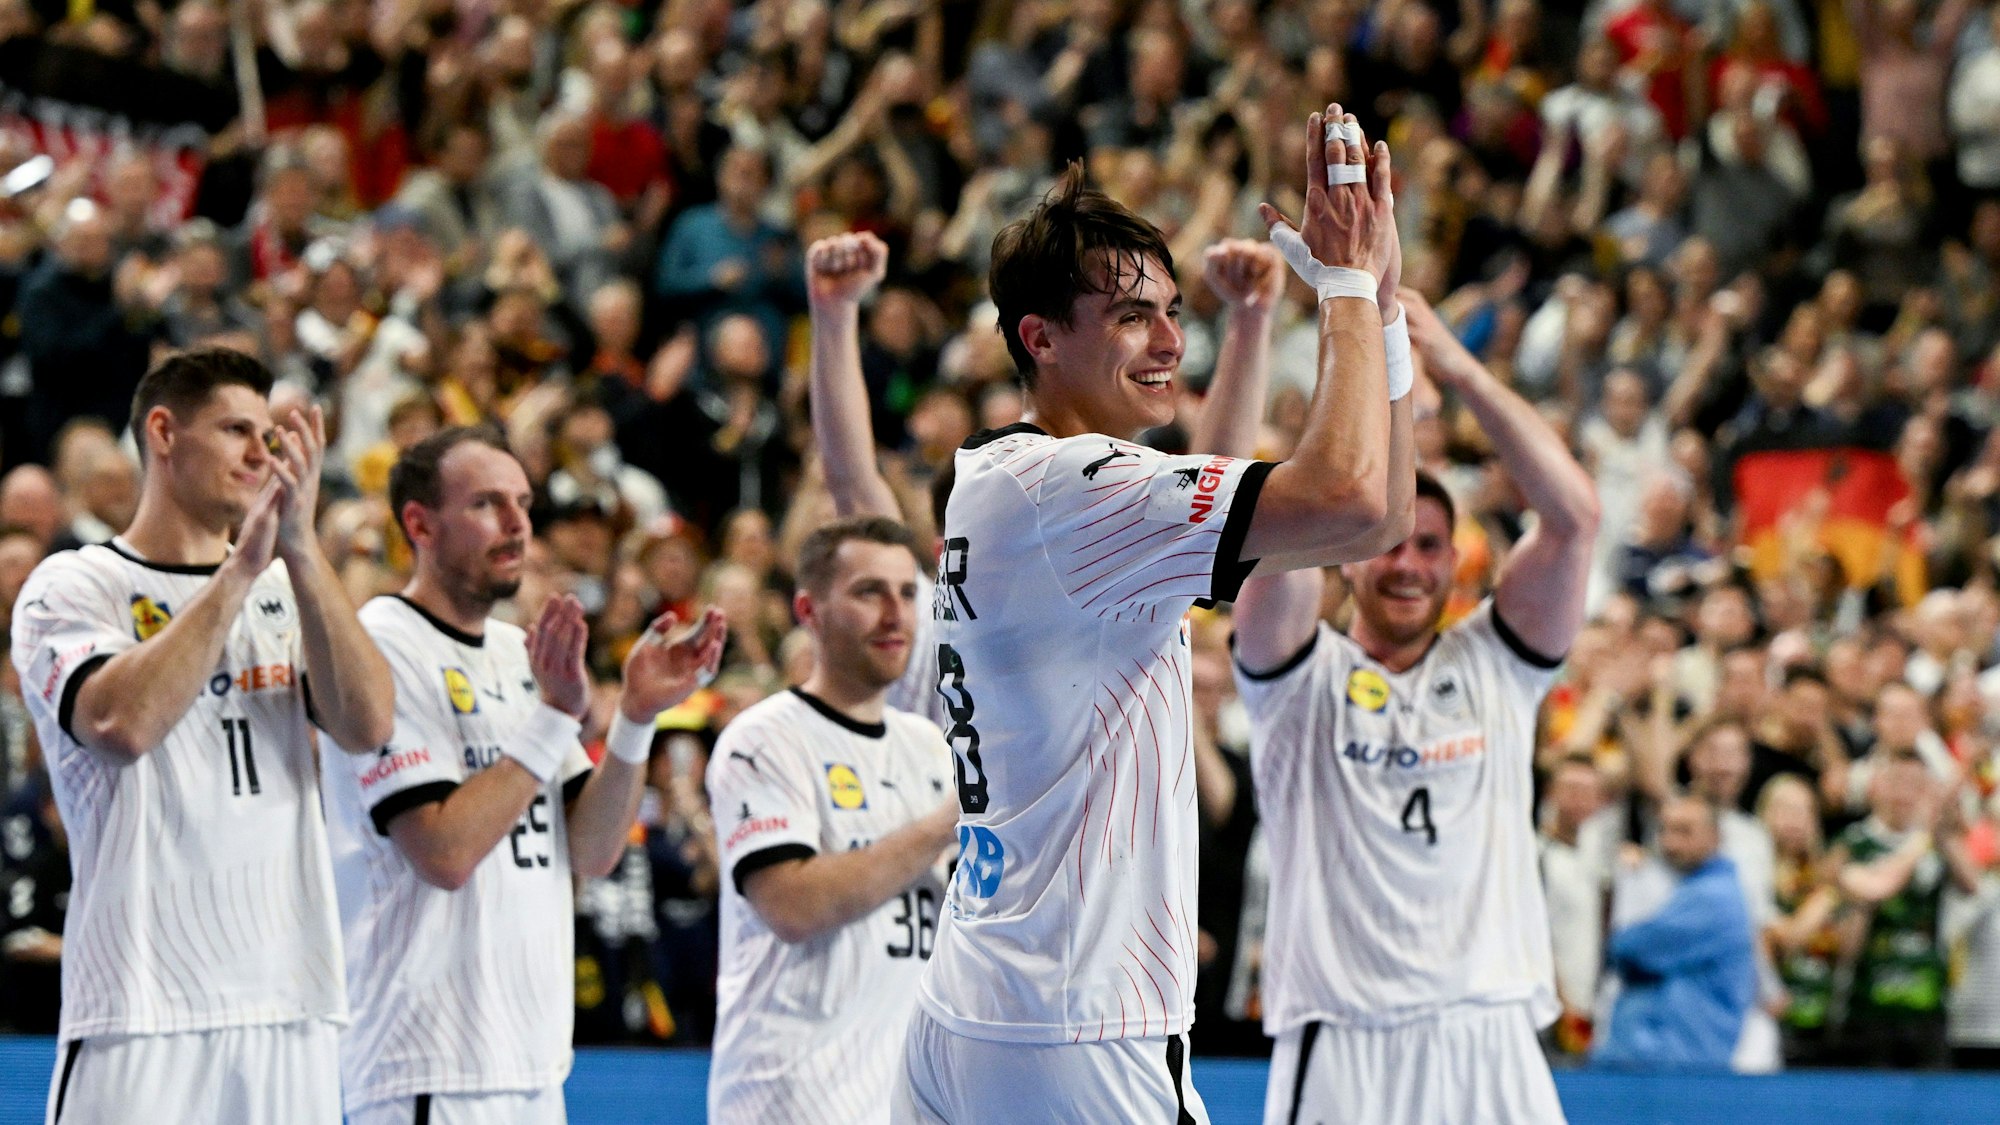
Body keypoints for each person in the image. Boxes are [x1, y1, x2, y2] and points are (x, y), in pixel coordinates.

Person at [893, 104, 1415, 1124]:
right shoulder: (1073, 487)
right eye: (1131, 314)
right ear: (1038, 338)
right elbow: (1351, 496)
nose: (1172, 339)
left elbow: (1373, 519)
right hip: (1073, 1027)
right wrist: (1345, 285)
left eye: (1175, 310)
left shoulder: (1012, 483)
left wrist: (1382, 307)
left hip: (985, 1004)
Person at [1226, 282, 1598, 1121]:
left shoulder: (1499, 661)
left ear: (1455, 559)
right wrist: (1352, 320)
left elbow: (1574, 516)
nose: (1406, 563)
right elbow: (1278, 523)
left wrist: (1457, 366)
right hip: (1346, 1037)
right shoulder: (1298, 672)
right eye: (1386, 541)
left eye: (1429, 545)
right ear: (1347, 556)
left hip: (1491, 1028)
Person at [10, 348, 395, 1123]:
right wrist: (239, 573)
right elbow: (122, 723)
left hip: (291, 1000)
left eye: (271, 436)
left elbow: (368, 725)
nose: (263, 454)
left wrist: (302, 552)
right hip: (142, 1003)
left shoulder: (287, 584)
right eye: (236, 430)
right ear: (163, 431)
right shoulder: (76, 584)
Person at [321, 425, 726, 1125]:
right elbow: (443, 852)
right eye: (486, 504)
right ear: (419, 523)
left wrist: (634, 717)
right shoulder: (383, 641)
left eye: (523, 503)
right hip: (425, 1064)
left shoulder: (517, 650)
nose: (517, 525)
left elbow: (594, 851)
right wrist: (551, 719)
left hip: (530, 1063)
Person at [705, 517, 957, 1124]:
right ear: (808, 611)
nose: (895, 615)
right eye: (869, 592)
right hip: (789, 1099)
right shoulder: (764, 740)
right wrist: (950, 820)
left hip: (901, 1097)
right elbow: (793, 905)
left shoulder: (930, 746)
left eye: (906, 594)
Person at [1595, 795, 1758, 1069]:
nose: (1670, 843)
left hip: (1677, 1067)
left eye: (1685, 831)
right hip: (1656, 1064)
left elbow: (1631, 948)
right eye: (1664, 830)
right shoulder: (1687, 889)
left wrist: (1621, 943)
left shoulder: (1714, 897)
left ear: (1716, 837)